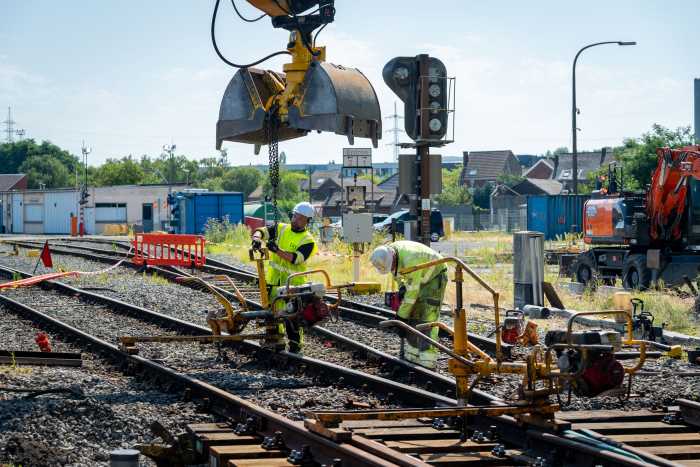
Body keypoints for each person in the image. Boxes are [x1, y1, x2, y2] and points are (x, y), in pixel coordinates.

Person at [251, 201, 318, 353]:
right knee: (271, 315)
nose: (296, 220)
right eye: (295, 216)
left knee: (291, 318)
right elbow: (262, 231)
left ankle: (295, 347)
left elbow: (296, 258)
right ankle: (275, 342)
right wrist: (256, 238)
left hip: (293, 286)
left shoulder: (308, 241)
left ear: (307, 221)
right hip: (274, 283)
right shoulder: (281, 228)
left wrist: (277, 250)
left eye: (301, 218)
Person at [370, 240, 448, 369]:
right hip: (420, 277)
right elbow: (398, 275)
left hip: (435, 275)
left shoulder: (411, 259)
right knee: (412, 312)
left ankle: (427, 357)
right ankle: (413, 352)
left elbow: (412, 294)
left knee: (427, 316)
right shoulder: (391, 255)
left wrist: (401, 317)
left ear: (392, 258)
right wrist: (402, 288)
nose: (392, 269)